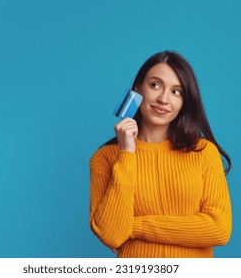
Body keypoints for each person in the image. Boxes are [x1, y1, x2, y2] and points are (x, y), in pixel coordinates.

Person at [89, 50, 232, 258]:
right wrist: (127, 152)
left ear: (184, 101)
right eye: (155, 85)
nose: (164, 99)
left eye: (176, 92)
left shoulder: (203, 152)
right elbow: (111, 235)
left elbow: (219, 229)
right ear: (138, 90)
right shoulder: (105, 158)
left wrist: (134, 226)